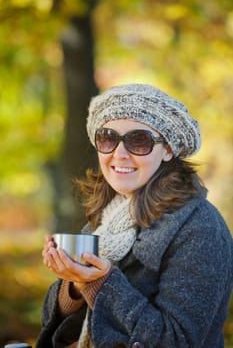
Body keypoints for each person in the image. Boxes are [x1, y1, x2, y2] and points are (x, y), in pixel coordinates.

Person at [36, 84, 233, 348]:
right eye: (107, 138)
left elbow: (177, 341)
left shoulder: (200, 226)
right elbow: (53, 323)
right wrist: (74, 284)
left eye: (138, 141)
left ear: (168, 150)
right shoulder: (106, 218)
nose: (119, 154)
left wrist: (100, 284)